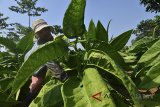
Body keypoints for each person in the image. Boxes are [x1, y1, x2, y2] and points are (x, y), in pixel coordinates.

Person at [23, 19, 68, 106]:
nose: (45, 32)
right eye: (41, 31)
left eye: (46, 29)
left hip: (33, 65)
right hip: (34, 66)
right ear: (38, 34)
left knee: (35, 85)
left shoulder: (44, 41)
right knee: (36, 85)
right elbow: (52, 65)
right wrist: (64, 77)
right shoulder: (43, 46)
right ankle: (26, 103)